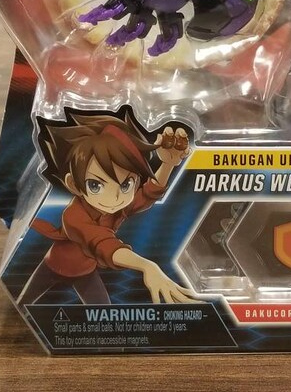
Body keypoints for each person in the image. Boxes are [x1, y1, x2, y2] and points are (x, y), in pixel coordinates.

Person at [18, 110, 196, 305]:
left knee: (104, 311)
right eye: (96, 185)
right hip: (53, 266)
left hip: (86, 272)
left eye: (126, 184)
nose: (116, 197)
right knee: (23, 303)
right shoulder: (73, 216)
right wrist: (147, 266)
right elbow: (104, 245)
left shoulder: (118, 207)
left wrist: (167, 164)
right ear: (74, 185)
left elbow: (146, 195)